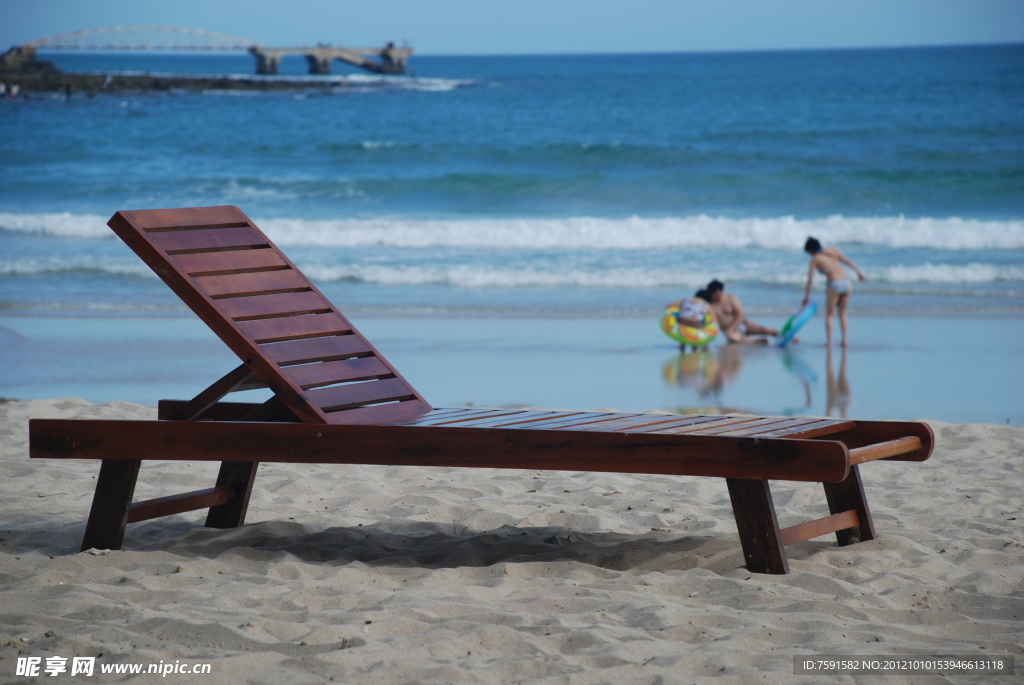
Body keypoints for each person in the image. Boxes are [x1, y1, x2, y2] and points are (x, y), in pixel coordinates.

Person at [802, 236, 866, 347]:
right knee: (843, 313)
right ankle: (845, 340)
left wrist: (806, 296)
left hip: (835, 284)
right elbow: (847, 261)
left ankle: (830, 342)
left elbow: (810, 280)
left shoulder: (815, 259)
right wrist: (859, 273)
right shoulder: (833, 250)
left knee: (830, 314)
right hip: (847, 283)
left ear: (811, 250)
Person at [706, 279, 777, 344]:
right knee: (733, 338)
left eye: (715, 293)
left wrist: (732, 327)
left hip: (742, 322)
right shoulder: (710, 305)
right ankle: (758, 341)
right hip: (731, 331)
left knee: (765, 330)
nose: (713, 295)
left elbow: (740, 313)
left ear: (720, 291)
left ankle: (782, 334)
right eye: (712, 293)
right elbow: (710, 321)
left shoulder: (730, 298)